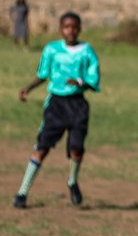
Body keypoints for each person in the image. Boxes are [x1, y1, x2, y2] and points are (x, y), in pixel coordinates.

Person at [12, 11, 100, 209]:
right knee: (41, 148)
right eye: (67, 27)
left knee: (76, 150)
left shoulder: (87, 51)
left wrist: (80, 82)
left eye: (74, 27)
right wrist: (28, 87)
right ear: (61, 29)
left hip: (78, 106)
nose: (71, 31)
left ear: (80, 29)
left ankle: (72, 181)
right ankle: (22, 192)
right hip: (56, 106)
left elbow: (93, 81)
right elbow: (43, 74)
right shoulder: (51, 50)